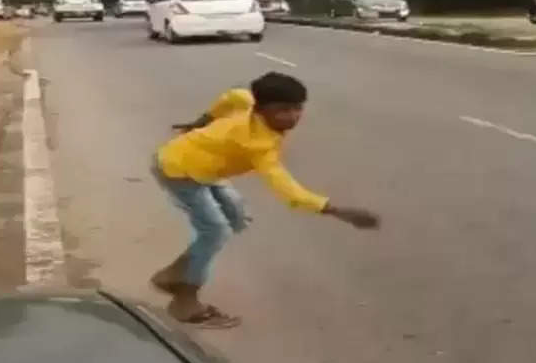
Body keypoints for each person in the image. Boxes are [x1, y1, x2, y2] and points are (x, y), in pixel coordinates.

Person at [149, 72, 379, 328]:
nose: (292, 117)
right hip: (178, 171)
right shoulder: (256, 145)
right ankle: (185, 299)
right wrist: (336, 210)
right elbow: (287, 189)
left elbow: (231, 96)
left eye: (297, 108)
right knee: (215, 232)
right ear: (261, 109)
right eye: (282, 110)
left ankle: (172, 275)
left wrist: (200, 122)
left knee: (236, 218)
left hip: (206, 168)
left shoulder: (247, 102)